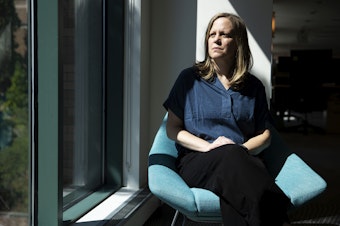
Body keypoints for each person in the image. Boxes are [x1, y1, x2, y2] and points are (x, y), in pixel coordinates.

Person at [163, 12, 291, 226]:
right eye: (212, 34)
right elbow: (173, 129)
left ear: (238, 42)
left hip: (242, 159)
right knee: (237, 166)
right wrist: (209, 147)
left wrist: (241, 150)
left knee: (235, 186)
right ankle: (279, 214)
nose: (216, 38)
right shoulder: (189, 79)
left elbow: (266, 135)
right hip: (198, 161)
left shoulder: (254, 86)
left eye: (224, 34)